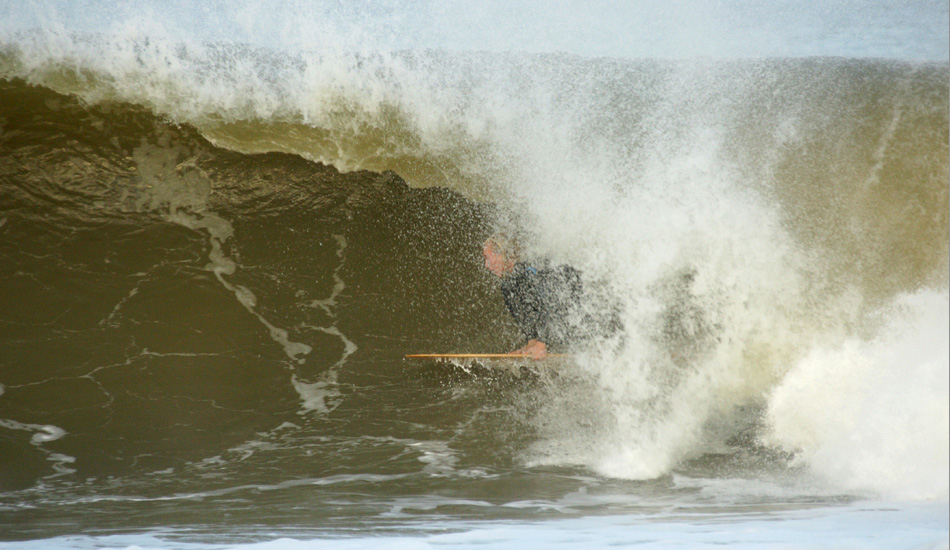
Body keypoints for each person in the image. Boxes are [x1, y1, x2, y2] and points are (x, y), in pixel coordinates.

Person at [482, 234, 590, 359]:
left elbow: (550, 302)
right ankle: (532, 342)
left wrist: (542, 343)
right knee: (508, 288)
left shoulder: (529, 270)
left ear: (502, 255)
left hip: (581, 297)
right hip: (559, 301)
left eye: (488, 258)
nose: (486, 265)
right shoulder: (508, 285)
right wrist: (532, 341)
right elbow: (528, 313)